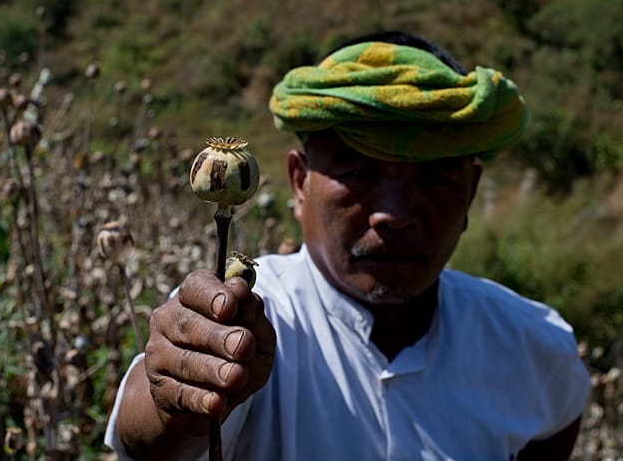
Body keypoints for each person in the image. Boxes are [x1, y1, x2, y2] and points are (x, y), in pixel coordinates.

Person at [104, 31, 591, 460]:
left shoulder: (533, 346)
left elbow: (558, 421)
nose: (394, 215)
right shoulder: (244, 317)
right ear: (299, 184)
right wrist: (176, 400)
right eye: (359, 172)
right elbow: (146, 436)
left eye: (434, 178)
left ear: (471, 194)